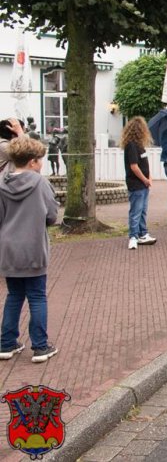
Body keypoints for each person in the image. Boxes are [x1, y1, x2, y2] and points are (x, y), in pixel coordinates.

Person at [0, 137, 59, 363]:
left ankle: (6, 344)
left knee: (14, 296)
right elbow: (52, 215)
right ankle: (40, 346)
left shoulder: (2, 183)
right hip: (33, 247)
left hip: (9, 248)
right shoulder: (40, 183)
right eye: (40, 160)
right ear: (33, 161)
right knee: (37, 297)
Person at [122, 117, 156, 250]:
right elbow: (134, 166)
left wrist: (149, 178)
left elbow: (144, 164)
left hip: (143, 184)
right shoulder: (131, 146)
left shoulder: (140, 146)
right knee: (136, 211)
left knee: (142, 210)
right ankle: (133, 236)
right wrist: (145, 179)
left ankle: (143, 233)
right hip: (136, 184)